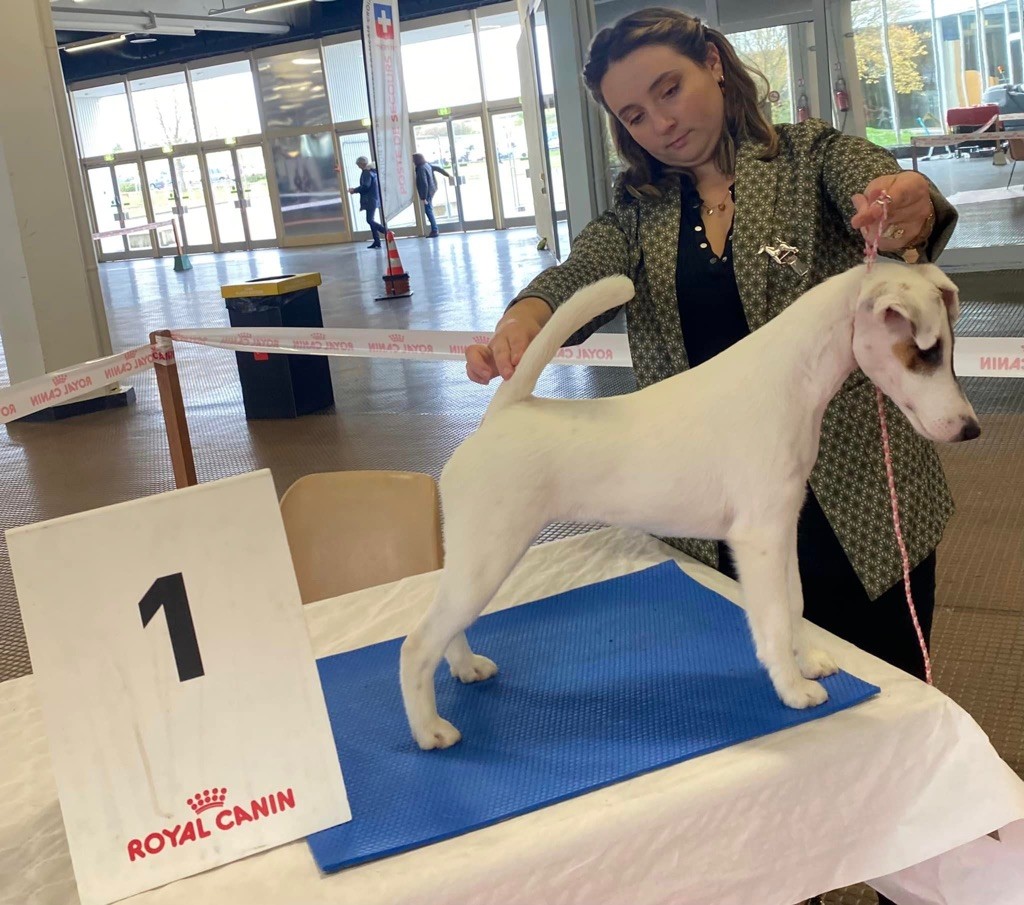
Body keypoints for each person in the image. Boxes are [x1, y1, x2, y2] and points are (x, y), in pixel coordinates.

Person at [465, 12, 955, 901]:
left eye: (669, 89)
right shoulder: (640, 214)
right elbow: (579, 269)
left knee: (886, 733)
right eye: (635, 115)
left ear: (715, 67)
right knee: (763, 748)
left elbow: (887, 190)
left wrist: (907, 197)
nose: (661, 122)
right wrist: (528, 311)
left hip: (853, 507)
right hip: (721, 520)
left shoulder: (808, 157)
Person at [348, 156, 385, 248]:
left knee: (369, 220)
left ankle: (386, 231)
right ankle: (377, 241)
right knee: (371, 219)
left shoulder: (366, 173)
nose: (358, 166)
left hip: (369, 199)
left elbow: (366, 186)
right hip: (374, 198)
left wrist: (354, 190)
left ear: (362, 164)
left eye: (358, 164)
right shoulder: (372, 171)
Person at [413, 152, 452, 237]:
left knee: (428, 210)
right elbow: (438, 168)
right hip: (432, 189)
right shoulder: (427, 165)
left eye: (413, 160)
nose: (413, 161)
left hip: (427, 192)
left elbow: (424, 183)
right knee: (429, 209)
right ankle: (434, 229)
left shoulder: (421, 168)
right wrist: (448, 175)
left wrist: (424, 197)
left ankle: (434, 230)